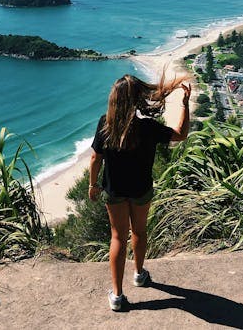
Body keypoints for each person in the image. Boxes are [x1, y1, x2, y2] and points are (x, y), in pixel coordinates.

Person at [89, 73, 191, 311]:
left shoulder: (105, 124)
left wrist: (93, 185)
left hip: (113, 191)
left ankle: (117, 295)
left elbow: (96, 158)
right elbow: (181, 134)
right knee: (140, 231)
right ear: (137, 100)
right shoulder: (148, 127)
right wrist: (185, 105)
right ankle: (139, 274)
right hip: (141, 190)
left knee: (117, 238)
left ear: (114, 100)